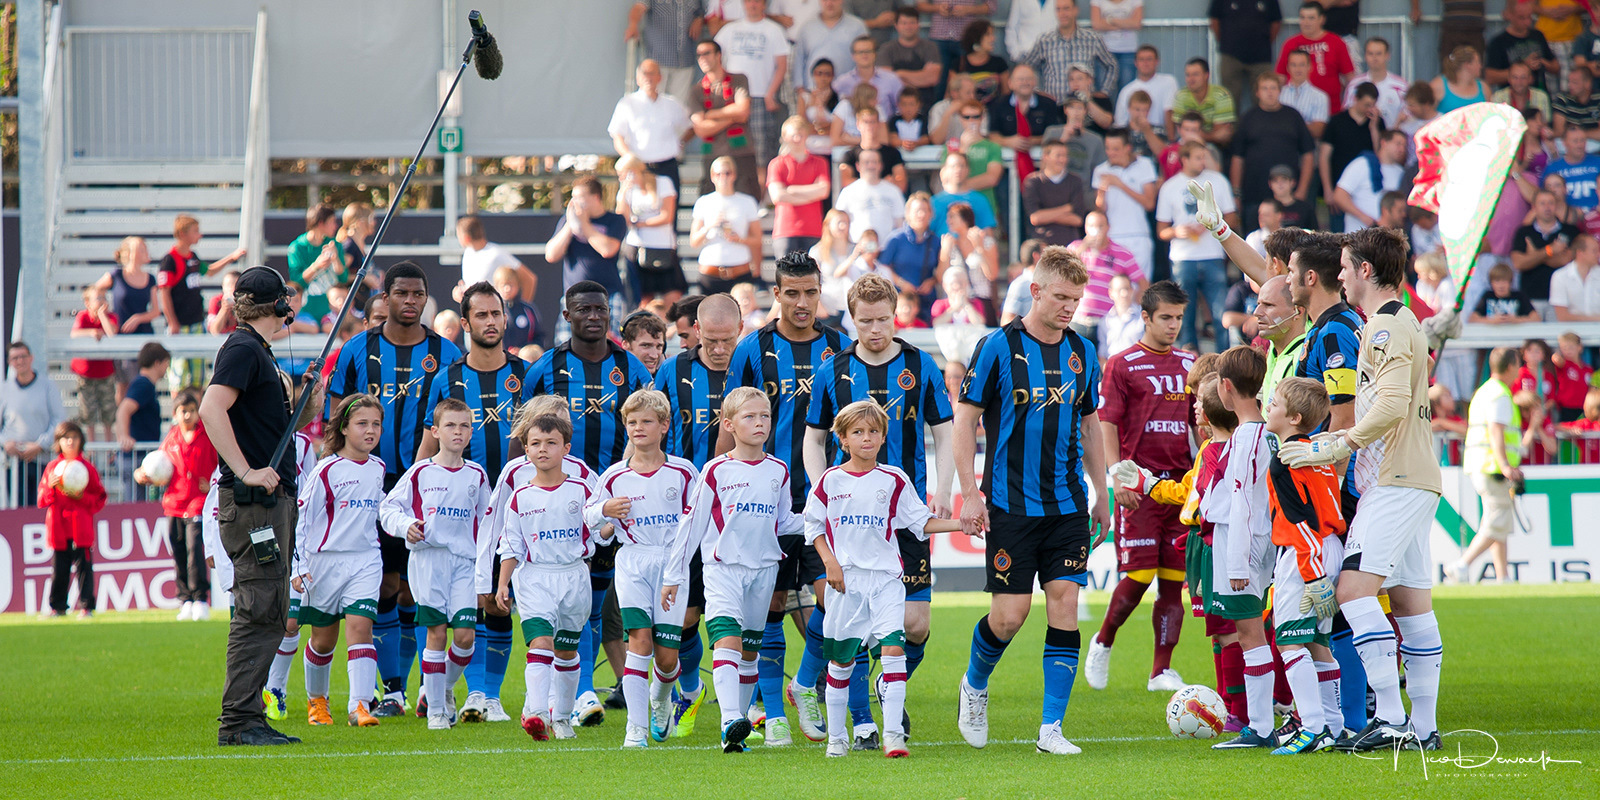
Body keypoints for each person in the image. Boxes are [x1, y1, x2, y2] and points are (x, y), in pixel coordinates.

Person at [1280, 227, 1446, 754]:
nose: (1342, 277)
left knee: (1353, 591)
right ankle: (1423, 728)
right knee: (1410, 602)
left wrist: (1335, 445)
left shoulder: (1384, 325)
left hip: (1394, 478)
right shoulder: (1402, 321)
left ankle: (1392, 719)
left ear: (1365, 271)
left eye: (1347, 268)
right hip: (1413, 476)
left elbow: (1392, 403)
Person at [953, 246, 1112, 756]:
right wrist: (970, 493)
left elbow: (1090, 425)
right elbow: (964, 421)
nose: (1069, 307)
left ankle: (1051, 729)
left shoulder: (1083, 351)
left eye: (1076, 299)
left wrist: (1102, 491)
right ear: (1036, 291)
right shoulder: (997, 347)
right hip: (1010, 504)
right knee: (1009, 617)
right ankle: (974, 685)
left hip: (1067, 505)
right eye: (1061, 297)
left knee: (1065, 602)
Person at [800, 282, 949, 746]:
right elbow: (813, 438)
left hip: (905, 510)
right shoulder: (833, 369)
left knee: (915, 624)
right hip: (853, 517)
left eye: (883, 319)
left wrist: (945, 490)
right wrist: (825, 491)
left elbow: (944, 431)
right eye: (865, 321)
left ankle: (885, 683)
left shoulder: (920, 365)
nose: (875, 328)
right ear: (852, 320)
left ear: (895, 314)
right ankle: (863, 720)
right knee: (851, 620)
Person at [721, 253, 850, 746]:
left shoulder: (840, 346)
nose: (801, 302)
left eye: (810, 292)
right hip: (764, 502)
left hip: (824, 499)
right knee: (770, 606)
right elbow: (731, 420)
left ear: (820, 292)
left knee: (834, 599)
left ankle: (804, 685)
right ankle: (772, 713)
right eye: (791, 293)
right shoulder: (752, 349)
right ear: (776, 294)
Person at [327, 262, 462, 716]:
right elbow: (336, 417)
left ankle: (428, 687)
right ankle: (394, 690)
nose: (410, 301)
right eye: (401, 293)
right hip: (371, 483)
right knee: (385, 584)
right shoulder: (356, 350)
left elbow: (455, 419)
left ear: (426, 298)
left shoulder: (446, 353)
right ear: (385, 298)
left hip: (427, 484)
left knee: (418, 590)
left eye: (417, 294)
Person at [527, 281, 655, 724]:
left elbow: (649, 425)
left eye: (601, 309)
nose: (594, 316)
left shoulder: (630, 367)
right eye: (584, 309)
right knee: (573, 596)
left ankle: (579, 688)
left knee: (596, 596)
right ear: (568, 316)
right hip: (563, 497)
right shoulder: (546, 368)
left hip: (618, 498)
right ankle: (578, 691)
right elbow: (526, 434)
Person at [804, 399, 960, 758]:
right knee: (841, 661)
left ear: (883, 436)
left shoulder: (894, 479)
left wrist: (961, 525)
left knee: (893, 650)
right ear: (843, 439)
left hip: (887, 581)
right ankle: (837, 738)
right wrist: (830, 563)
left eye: (873, 431)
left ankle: (893, 736)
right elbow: (813, 527)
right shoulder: (830, 480)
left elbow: (920, 523)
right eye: (858, 432)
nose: (867, 438)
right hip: (846, 582)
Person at [664, 386, 804, 753]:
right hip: (722, 569)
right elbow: (691, 525)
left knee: (750, 652)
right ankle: (729, 719)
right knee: (728, 639)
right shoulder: (715, 470)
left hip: (764, 570)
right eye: (749, 416)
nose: (760, 423)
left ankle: (736, 729)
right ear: (729, 424)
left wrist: (822, 521)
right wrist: (674, 575)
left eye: (765, 416)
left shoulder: (778, 470)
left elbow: (784, 520)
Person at [199, 265, 303, 747]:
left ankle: (249, 716)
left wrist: (305, 401)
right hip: (253, 504)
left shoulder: (255, 349)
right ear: (276, 304)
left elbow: (260, 423)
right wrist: (245, 471)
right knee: (259, 606)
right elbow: (210, 408)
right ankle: (239, 721)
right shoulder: (244, 348)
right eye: (285, 299)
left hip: (267, 502)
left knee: (269, 607)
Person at [1088, 281, 1196, 693]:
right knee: (1138, 576)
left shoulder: (1189, 364)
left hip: (1179, 488)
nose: (1173, 325)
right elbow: (1107, 423)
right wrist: (1118, 476)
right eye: (1166, 317)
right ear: (1146, 317)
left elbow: (1199, 425)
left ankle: (1160, 671)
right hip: (1138, 488)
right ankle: (1103, 641)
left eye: (1179, 318)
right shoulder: (1122, 364)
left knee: (1172, 583)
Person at [584, 390, 697, 748]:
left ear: (664, 426)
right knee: (639, 640)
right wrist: (605, 511)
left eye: (647, 421)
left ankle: (661, 699)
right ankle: (636, 729)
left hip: (672, 564)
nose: (638, 428)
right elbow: (590, 518)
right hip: (632, 561)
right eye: (631, 422)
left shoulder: (683, 472)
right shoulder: (614, 476)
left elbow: (697, 521)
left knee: (667, 659)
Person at [494, 413, 608, 742]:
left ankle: (562, 717)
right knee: (540, 643)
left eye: (551, 443)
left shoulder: (582, 488)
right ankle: (538, 713)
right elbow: (511, 545)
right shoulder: (519, 496)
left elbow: (599, 531)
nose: (542, 449)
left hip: (574, 575)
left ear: (566, 448)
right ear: (526, 450)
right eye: (535, 444)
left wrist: (610, 524)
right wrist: (502, 584)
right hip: (534, 577)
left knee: (567, 652)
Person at [379, 399, 491, 731]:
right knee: (437, 633)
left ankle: (442, 688)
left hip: (464, 563)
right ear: (436, 431)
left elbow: (487, 525)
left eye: (464, 426)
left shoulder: (477, 475)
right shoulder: (420, 472)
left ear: (471, 432)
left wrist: (486, 571)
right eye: (450, 425)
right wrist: (406, 526)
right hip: (429, 562)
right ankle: (437, 712)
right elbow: (388, 509)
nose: (458, 432)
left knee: (466, 637)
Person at [1259, 376, 1348, 753]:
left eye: (1275, 403)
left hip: (1305, 554)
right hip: (1331, 546)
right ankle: (1334, 726)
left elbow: (1299, 521)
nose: (1268, 408)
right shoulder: (1318, 453)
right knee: (1317, 642)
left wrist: (1313, 576)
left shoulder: (1285, 461)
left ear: (1294, 418)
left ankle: (1311, 728)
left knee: (1290, 641)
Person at [290, 393, 387, 729]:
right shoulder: (326, 470)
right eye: (362, 424)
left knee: (361, 628)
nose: (370, 430)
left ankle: (360, 705)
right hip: (324, 564)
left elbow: (382, 509)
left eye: (376, 424)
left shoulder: (378, 468)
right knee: (323, 640)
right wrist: (299, 566)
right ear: (344, 428)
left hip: (365, 561)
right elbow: (302, 518)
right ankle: (317, 701)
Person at [1199, 345, 1277, 750]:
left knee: (1249, 634)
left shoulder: (1247, 437)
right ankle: (1265, 723)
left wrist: (1236, 564)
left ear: (1225, 387)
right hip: (1254, 543)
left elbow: (1243, 501)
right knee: (1252, 633)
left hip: (1242, 546)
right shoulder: (1264, 433)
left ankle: (1260, 727)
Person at [1446, 347, 1524, 586]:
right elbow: (1496, 429)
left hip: (1481, 464)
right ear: (1510, 366)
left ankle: (1503, 576)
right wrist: (1505, 465)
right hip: (1492, 466)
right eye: (1518, 364)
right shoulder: (1500, 394)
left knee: (1497, 520)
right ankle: (1462, 565)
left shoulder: (1484, 391)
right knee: (1497, 520)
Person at [141, 390, 216, 621]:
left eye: (192, 411)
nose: (188, 415)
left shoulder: (208, 435)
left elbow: (221, 465)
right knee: (179, 551)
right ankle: (185, 600)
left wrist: (212, 483)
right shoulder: (171, 438)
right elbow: (158, 467)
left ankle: (200, 599)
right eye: (184, 411)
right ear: (175, 414)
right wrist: (143, 475)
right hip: (174, 503)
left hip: (198, 503)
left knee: (195, 549)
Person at [1158, 142, 1238, 352]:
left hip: (1212, 255)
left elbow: (1232, 217)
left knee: (1220, 313)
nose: (1203, 161)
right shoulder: (1170, 186)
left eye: (1204, 156)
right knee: (1185, 314)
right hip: (1182, 258)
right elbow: (1161, 231)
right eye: (1198, 157)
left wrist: (1212, 224)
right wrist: (1177, 231)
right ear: (1184, 159)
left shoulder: (1218, 181)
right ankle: (1189, 360)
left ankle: (1225, 357)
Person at [161, 215, 245, 388]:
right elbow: (164, 293)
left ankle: (197, 404)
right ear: (183, 234)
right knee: (179, 375)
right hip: (180, 325)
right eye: (195, 231)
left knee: (198, 374)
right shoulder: (170, 260)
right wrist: (172, 322)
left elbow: (210, 271)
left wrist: (231, 258)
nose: (200, 235)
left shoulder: (193, 257)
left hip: (196, 322)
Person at [716, 0, 790, 183]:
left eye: (757, 1)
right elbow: (713, 57)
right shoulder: (729, 30)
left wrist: (770, 94)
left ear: (764, 4)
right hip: (732, 101)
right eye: (749, 1)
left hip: (760, 98)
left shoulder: (774, 30)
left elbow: (781, 66)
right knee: (730, 152)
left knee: (761, 154)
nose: (753, 4)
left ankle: (761, 196)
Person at [38, 421, 105, 619]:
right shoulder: (52, 468)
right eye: (66, 438)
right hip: (59, 529)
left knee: (84, 569)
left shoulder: (87, 468)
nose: (70, 442)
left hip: (81, 528)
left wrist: (81, 497)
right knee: (59, 570)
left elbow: (99, 498)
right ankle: (57, 607)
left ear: (80, 441)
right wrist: (51, 488)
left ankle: (86, 607)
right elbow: (41, 500)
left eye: (74, 437)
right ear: (58, 442)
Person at [546, 176, 628, 322]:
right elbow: (551, 255)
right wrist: (570, 225)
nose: (575, 202)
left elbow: (608, 250)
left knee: (607, 336)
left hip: (607, 295)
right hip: (575, 297)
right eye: (573, 197)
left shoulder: (615, 220)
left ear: (595, 197)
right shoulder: (567, 221)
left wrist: (584, 224)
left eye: (580, 197)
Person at [690, 41, 762, 199]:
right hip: (712, 155)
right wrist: (732, 118)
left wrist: (710, 114)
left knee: (747, 198)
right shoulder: (697, 90)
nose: (702, 58)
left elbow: (743, 111)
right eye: (699, 55)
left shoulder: (739, 80)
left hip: (741, 152)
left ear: (718, 55)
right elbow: (700, 129)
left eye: (706, 53)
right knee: (712, 202)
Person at [612, 59, 694, 198]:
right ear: (638, 78)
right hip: (639, 168)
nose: (648, 78)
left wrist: (681, 143)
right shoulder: (627, 103)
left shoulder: (671, 103)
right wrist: (629, 157)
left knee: (670, 211)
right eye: (645, 74)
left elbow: (691, 126)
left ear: (659, 77)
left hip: (667, 166)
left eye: (652, 73)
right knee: (637, 209)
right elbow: (617, 136)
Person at [616, 155, 685, 309]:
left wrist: (641, 223)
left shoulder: (663, 182)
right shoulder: (628, 190)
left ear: (633, 170)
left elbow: (667, 216)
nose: (621, 178)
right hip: (637, 246)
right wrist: (622, 194)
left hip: (662, 246)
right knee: (643, 299)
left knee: (672, 296)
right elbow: (622, 219)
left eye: (623, 174)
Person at [2, 342, 65, 508]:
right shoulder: (4, 390)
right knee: (18, 511)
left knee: (43, 508)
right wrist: (5, 442)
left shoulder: (48, 386)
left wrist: (40, 444)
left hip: (43, 461)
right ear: (9, 362)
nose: (20, 361)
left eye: (23, 356)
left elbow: (59, 419)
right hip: (14, 463)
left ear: (31, 358)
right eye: (15, 358)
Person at [1067, 210, 1144, 344]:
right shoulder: (1075, 248)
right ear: (1085, 228)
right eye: (1091, 226)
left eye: (1100, 226)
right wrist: (1082, 249)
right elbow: (1061, 273)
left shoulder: (1122, 253)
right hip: (1077, 320)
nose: (1095, 230)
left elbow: (1143, 284)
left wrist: (1130, 310)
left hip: (1107, 323)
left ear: (1108, 228)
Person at [691, 156, 764, 296]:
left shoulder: (747, 202)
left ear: (734, 175)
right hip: (710, 271)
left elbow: (758, 239)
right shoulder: (704, 202)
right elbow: (694, 242)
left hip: (739, 269)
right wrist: (708, 227)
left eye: (727, 173)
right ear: (712, 177)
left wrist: (739, 239)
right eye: (718, 174)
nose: (723, 177)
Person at [1092, 129, 1159, 277]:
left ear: (1127, 148)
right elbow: (1100, 210)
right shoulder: (1100, 170)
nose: (1111, 153)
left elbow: (1149, 203)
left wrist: (1120, 184)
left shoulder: (1144, 164)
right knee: (1113, 286)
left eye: (1115, 149)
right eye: (1108, 148)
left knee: (1141, 286)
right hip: (1112, 236)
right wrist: (1102, 192)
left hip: (1139, 235)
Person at [1024, 0, 1118, 104]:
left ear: (1075, 10)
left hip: (1084, 106)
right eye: (1058, 9)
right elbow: (1026, 67)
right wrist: (1037, 91)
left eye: (1066, 9)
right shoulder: (1045, 41)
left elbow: (1111, 65)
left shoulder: (1092, 38)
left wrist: (1105, 91)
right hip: (1054, 105)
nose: (1062, 14)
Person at [986, 64, 1062, 184]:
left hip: (1041, 165)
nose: (1025, 82)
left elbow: (1055, 135)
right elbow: (992, 134)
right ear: (1010, 83)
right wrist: (1008, 141)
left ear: (1035, 82)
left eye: (1029, 79)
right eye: (1020, 79)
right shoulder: (998, 104)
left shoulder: (1048, 104)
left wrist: (1033, 141)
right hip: (1005, 166)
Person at [626, 1, 708, 110]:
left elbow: (701, 12)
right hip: (658, 63)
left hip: (685, 62)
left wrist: (699, 19)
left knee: (678, 108)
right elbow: (638, 8)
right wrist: (633, 25)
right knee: (652, 105)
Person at [769, 115, 832, 258]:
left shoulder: (819, 162)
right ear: (784, 137)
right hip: (785, 231)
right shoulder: (777, 164)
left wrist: (791, 190)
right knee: (786, 271)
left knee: (812, 272)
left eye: (801, 135)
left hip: (813, 230)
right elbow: (777, 196)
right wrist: (811, 194)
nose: (797, 139)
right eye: (793, 135)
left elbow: (824, 191)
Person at [1276, 2, 1354, 114]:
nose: (1306, 22)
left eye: (1311, 18)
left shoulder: (1336, 42)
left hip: (1331, 110)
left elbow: (1350, 78)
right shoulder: (1290, 44)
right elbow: (1280, 78)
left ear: (1322, 19)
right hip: (1296, 111)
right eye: (1302, 18)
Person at [115, 342, 169, 502]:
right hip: (136, 458)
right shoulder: (143, 384)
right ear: (157, 363)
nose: (167, 368)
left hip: (139, 457)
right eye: (166, 363)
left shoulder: (143, 384)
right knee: (136, 506)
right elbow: (123, 410)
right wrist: (124, 437)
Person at [1208, 0, 1282, 115]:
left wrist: (1263, 42)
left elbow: (1276, 22)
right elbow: (1214, 19)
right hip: (1230, 55)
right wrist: (1226, 43)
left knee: (1264, 100)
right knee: (1229, 102)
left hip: (1261, 56)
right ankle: (1233, 127)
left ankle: (1263, 126)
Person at [1513, 188, 1580, 314]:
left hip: (1563, 301)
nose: (1547, 207)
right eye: (1542, 203)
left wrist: (1533, 256)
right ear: (1534, 207)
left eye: (1551, 203)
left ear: (1556, 205)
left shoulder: (1571, 231)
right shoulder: (1523, 232)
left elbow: (1565, 260)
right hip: (1530, 299)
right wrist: (1550, 250)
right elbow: (1519, 263)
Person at [1333, 129, 1407, 233]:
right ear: (1384, 143)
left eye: (1404, 146)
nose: (1402, 149)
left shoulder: (1400, 172)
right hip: (1357, 233)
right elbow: (1339, 195)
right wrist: (1363, 217)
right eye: (1398, 144)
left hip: (1386, 236)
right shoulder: (1362, 164)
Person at [69, 288, 118, 442]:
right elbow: (74, 334)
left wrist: (102, 316)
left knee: (108, 412)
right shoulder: (83, 317)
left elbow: (112, 334)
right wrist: (91, 333)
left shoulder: (111, 317)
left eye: (104, 297)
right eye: (98, 298)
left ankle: (109, 445)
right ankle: (90, 445)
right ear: (87, 303)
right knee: (88, 413)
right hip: (86, 374)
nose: (102, 301)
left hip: (106, 373)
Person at [286, 204, 349, 324]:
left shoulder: (334, 244)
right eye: (332, 221)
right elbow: (295, 283)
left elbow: (343, 279)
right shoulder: (297, 247)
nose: (336, 226)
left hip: (332, 314)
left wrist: (336, 259)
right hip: (307, 313)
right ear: (321, 223)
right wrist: (316, 266)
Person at [1023, 140, 1091, 247]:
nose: (1062, 159)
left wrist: (1045, 216)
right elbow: (1035, 218)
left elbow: (1077, 219)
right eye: (1058, 155)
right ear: (1046, 157)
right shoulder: (1033, 182)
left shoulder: (1075, 181)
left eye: (1065, 156)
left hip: (1070, 244)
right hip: (1042, 245)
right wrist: (1067, 208)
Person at [938, 200, 1000, 316]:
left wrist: (979, 248)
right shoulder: (950, 244)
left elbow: (992, 274)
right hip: (956, 304)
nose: (948, 221)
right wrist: (945, 252)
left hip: (982, 302)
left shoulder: (986, 242)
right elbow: (940, 278)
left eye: (952, 216)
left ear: (964, 218)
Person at [835, 148, 906, 244]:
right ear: (858, 166)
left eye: (874, 162)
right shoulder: (848, 192)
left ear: (880, 165)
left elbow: (900, 224)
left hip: (887, 248)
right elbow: (839, 222)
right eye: (866, 162)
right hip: (857, 247)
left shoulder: (893, 191)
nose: (870, 165)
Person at [1485, 0, 1558, 92]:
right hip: (1510, 96)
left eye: (1529, 17)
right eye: (1521, 18)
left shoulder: (1538, 36)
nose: (1527, 22)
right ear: (1510, 15)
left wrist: (1542, 62)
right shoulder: (1498, 42)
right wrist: (1523, 67)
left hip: (1538, 94)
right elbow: (1490, 77)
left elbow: (1556, 67)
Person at [880, 7, 942, 109]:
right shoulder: (886, 48)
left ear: (918, 24)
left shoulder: (930, 47)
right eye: (904, 23)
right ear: (896, 26)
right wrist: (921, 77)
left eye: (912, 22)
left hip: (925, 103)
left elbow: (932, 78)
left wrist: (900, 74)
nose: (908, 27)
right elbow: (886, 80)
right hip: (895, 103)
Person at [921, 0, 996, 83]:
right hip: (938, 37)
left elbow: (991, 6)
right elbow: (921, 5)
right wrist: (938, 8)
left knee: (966, 82)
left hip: (966, 37)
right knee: (937, 82)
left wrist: (969, 9)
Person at [838, 105, 909, 190]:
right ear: (858, 125)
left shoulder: (893, 153)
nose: (869, 126)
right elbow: (846, 182)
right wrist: (882, 183)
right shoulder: (850, 155)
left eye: (873, 122)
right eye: (866, 122)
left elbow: (901, 183)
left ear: (878, 124)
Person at [834, 34, 903, 120]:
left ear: (875, 54)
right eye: (860, 52)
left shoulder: (891, 79)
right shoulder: (842, 82)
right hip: (851, 127)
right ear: (853, 56)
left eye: (868, 51)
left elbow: (902, 108)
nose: (864, 55)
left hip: (885, 125)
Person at [1169, 58, 1236, 147]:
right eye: (1188, 75)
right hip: (1188, 145)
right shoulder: (1181, 96)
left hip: (1217, 147)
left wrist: (1193, 133)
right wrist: (1213, 136)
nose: (1191, 79)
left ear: (1206, 75)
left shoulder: (1221, 95)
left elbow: (1222, 137)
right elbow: (1181, 131)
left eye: (1195, 74)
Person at [1345, 37, 1409, 127]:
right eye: (1370, 53)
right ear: (1365, 56)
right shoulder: (1354, 84)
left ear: (1387, 55)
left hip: (1391, 133)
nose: (1374, 58)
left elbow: (1408, 114)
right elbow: (1346, 112)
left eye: (1379, 54)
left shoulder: (1401, 86)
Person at [1115, 45, 1178, 128]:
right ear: (1136, 63)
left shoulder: (1169, 81)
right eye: (1141, 59)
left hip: (1161, 132)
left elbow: (1170, 112)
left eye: (1149, 59)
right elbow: (1120, 123)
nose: (1145, 63)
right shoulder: (1126, 91)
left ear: (1157, 61)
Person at [950, 19, 1008, 107]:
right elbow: (951, 93)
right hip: (966, 110)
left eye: (992, 34)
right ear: (976, 38)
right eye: (988, 34)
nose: (993, 38)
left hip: (993, 111)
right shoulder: (959, 63)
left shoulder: (999, 62)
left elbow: (1006, 94)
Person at [1091, 0, 1142, 94]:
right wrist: (1126, 23)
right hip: (1104, 52)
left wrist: (1110, 20)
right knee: (1103, 92)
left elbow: (1136, 24)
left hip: (1128, 51)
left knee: (1127, 91)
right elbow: (1097, 25)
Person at [1280, 50, 1331, 138]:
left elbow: (1317, 131)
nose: (1298, 69)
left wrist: (1286, 124)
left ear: (1310, 67)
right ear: (1288, 68)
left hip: (1307, 144)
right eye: (1294, 65)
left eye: (1302, 65)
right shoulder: (1279, 94)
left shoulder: (1320, 97)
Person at [1471, 262, 1540, 324]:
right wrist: (1492, 321)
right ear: (1491, 283)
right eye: (1497, 281)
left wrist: (1516, 320)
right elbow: (1472, 319)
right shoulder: (1487, 296)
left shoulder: (1519, 296)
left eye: (1504, 281)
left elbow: (1536, 318)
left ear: (1510, 282)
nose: (1501, 285)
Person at [1551, 234, 1600, 320]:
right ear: (1580, 253)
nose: (1598, 255)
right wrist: (1595, 319)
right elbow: (1562, 317)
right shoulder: (1560, 276)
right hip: (1572, 328)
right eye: (1594, 251)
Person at [1431, 45, 1489, 115]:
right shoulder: (1438, 85)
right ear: (1467, 65)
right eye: (1477, 62)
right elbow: (1427, 114)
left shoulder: (1484, 88)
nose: (1481, 66)